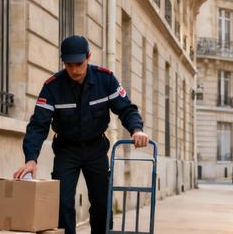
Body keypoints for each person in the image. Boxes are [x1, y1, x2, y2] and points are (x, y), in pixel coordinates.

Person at [13, 35, 150, 234]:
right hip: (66, 150)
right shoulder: (52, 87)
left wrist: (137, 129)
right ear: (63, 62)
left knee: (102, 204)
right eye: (69, 65)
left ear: (88, 57)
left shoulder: (106, 80)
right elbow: (38, 125)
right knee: (62, 203)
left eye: (79, 64)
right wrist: (31, 159)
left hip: (96, 149)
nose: (75, 70)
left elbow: (126, 109)